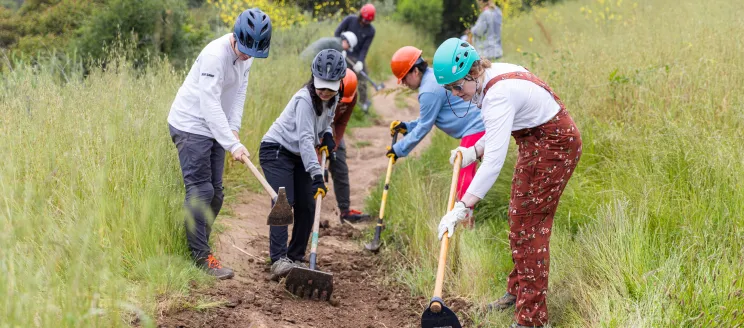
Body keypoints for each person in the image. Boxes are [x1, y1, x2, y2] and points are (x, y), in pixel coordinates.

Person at [432, 38, 582, 328]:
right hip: (537, 142)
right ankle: (517, 293)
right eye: (449, 89)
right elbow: (502, 130)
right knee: (519, 217)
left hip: (554, 146)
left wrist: (462, 206)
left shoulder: (496, 95)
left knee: (528, 226)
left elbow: (494, 163)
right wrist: (473, 150)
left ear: (472, 73)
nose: (455, 94)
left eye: (456, 87)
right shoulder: (493, 77)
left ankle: (532, 320)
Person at [167, 8, 271, 280]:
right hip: (191, 125)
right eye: (245, 49)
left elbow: (239, 92)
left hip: (216, 126)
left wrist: (233, 128)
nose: (247, 56)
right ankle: (200, 257)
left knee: (216, 193)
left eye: (253, 52)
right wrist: (231, 145)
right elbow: (209, 103)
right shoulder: (216, 56)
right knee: (200, 191)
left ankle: (199, 243)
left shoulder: (247, 56)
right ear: (235, 36)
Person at [259, 49, 346, 279]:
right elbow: (307, 141)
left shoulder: (334, 98)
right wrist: (317, 176)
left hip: (298, 155)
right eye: (321, 87)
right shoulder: (304, 100)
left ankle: (295, 258)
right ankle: (278, 260)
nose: (325, 92)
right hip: (276, 150)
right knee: (284, 201)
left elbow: (324, 124)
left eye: (330, 87)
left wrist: (328, 135)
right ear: (313, 78)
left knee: (308, 205)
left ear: (339, 82)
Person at [387, 46, 486, 227]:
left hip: (475, 127)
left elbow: (425, 126)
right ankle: (468, 217)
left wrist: (398, 149)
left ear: (415, 71)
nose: (404, 84)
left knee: (463, 175)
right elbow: (428, 119)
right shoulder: (433, 79)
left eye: (404, 79)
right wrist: (407, 127)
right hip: (476, 126)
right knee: (470, 173)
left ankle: (465, 221)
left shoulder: (428, 91)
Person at [326, 68, 372, 223]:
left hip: (333, 129)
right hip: (313, 129)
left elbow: (342, 122)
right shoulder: (324, 93)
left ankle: (345, 212)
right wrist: (319, 155)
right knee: (311, 172)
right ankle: (306, 213)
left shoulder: (352, 96)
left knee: (340, 165)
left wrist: (335, 145)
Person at [334, 3, 376, 112]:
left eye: (367, 21)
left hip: (356, 56)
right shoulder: (350, 20)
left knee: (362, 77)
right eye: (363, 19)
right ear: (360, 15)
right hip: (343, 52)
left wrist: (360, 62)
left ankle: (363, 104)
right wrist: (340, 47)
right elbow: (337, 33)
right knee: (340, 77)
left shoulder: (371, 31)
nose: (364, 22)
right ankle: (338, 102)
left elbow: (364, 49)